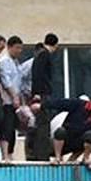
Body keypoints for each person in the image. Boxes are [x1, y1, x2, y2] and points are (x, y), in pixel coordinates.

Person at [47, 95, 91, 167]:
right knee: (60, 131)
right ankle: (58, 158)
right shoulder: (78, 105)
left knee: (90, 136)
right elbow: (60, 103)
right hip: (64, 140)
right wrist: (42, 105)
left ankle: (85, 159)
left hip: (78, 143)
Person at [26, 33, 60, 161]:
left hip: (40, 93)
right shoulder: (44, 55)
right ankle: (42, 154)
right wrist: (38, 94)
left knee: (42, 123)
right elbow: (39, 75)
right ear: (55, 44)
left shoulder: (39, 54)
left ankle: (39, 153)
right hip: (43, 94)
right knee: (43, 124)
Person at [0, 36, 24, 161]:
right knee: (6, 128)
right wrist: (14, 96)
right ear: (9, 47)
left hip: (15, 101)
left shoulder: (16, 63)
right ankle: (4, 154)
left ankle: (10, 153)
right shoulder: (4, 61)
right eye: (17, 48)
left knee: (13, 128)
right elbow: (6, 81)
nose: (19, 50)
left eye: (21, 48)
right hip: (7, 101)